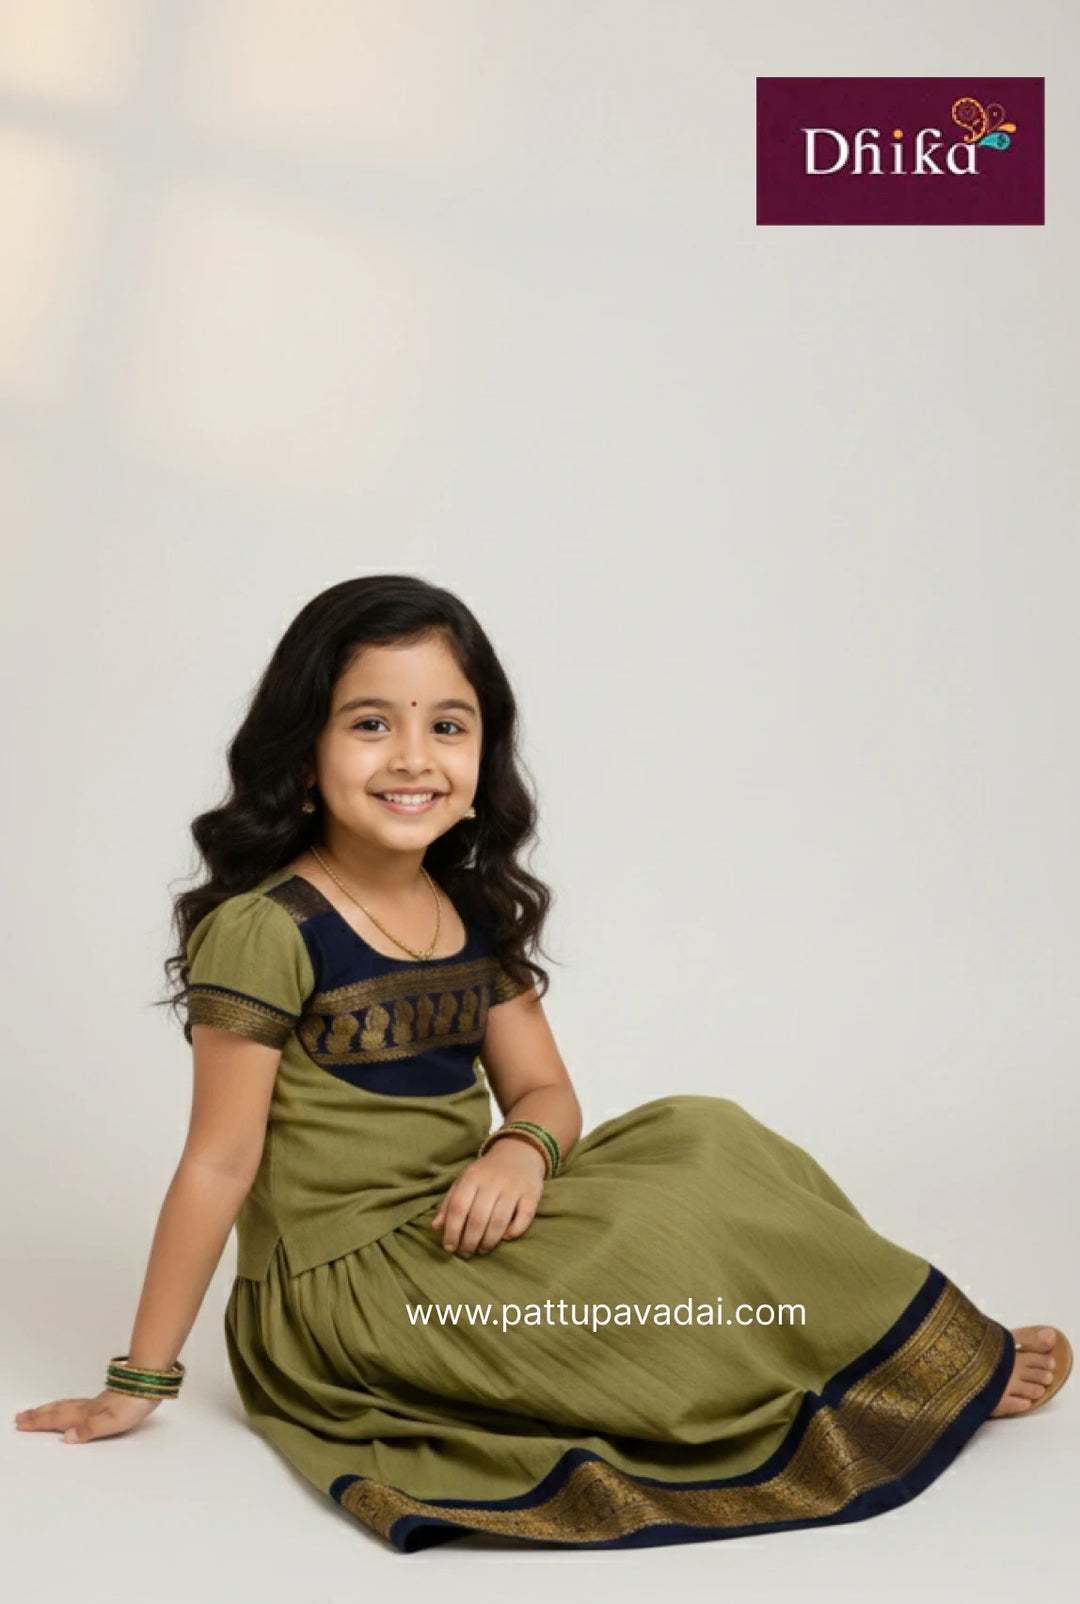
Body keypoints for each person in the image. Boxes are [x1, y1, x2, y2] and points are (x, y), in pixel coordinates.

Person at [14, 574, 1071, 1554]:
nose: (413, 756)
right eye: (371, 723)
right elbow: (218, 1161)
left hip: (470, 1219)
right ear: (303, 758)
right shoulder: (267, 928)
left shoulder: (469, 913)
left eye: (448, 725)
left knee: (706, 1134)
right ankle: (881, 1372)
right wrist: (139, 1381)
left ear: (483, 765)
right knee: (659, 1255)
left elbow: (546, 1093)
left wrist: (519, 1152)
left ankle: (913, 1349)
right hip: (365, 1287)